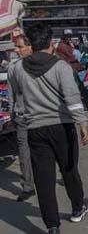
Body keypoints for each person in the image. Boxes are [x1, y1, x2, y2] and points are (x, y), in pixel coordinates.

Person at [7, 24, 88, 234]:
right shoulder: (61, 66)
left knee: (43, 179)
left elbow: (17, 97)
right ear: (50, 41)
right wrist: (82, 124)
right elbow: (72, 99)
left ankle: (52, 226)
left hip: (35, 129)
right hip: (62, 127)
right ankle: (77, 208)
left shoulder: (16, 68)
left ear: (31, 43)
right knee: (69, 170)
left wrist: (17, 116)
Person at [8, 35, 35, 202]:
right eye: (15, 47)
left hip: (41, 115)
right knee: (24, 152)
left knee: (47, 150)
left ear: (30, 46)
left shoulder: (41, 64)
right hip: (22, 115)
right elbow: (12, 93)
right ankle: (28, 186)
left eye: (19, 47)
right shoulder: (13, 67)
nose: (16, 50)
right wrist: (13, 112)